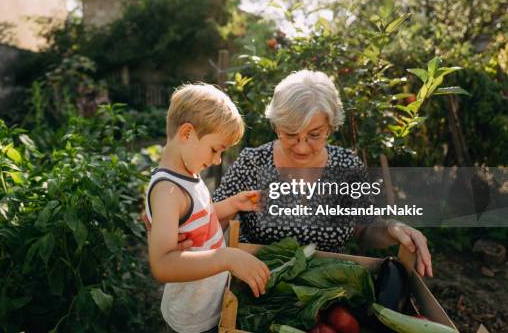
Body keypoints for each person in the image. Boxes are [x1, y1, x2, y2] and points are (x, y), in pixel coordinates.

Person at [212, 70, 433, 278]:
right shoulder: (253, 163)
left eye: (314, 135)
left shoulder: (347, 166)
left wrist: (392, 228)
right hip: (258, 287)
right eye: (290, 134)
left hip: (326, 290)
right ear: (276, 126)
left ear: (329, 127)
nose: (302, 147)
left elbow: (365, 227)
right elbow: (209, 218)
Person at [145, 83, 270, 333]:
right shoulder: (168, 192)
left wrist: (233, 204)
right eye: (215, 149)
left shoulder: (187, 174)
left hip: (208, 304)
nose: (217, 160)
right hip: (192, 320)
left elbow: (200, 218)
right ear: (187, 134)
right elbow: (162, 264)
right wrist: (226, 257)